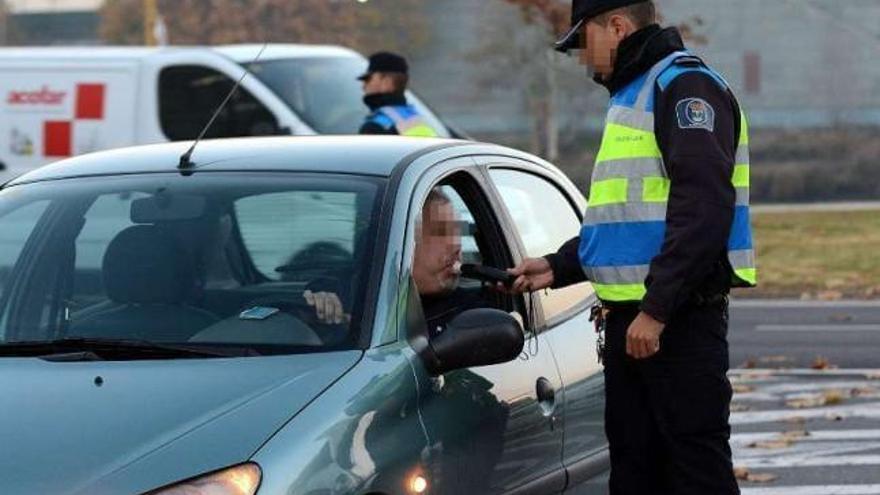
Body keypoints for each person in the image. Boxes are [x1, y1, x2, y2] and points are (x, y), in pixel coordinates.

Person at [508, 1, 757, 494]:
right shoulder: (634, 93)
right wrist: (558, 265)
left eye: (586, 41)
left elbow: (703, 211)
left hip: (675, 323)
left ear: (618, 26)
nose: (583, 57)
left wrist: (657, 309)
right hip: (637, 322)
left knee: (693, 472)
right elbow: (626, 221)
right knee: (636, 470)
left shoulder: (684, 87)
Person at [306, 188, 498, 334]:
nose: (456, 246)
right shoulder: (343, 293)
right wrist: (324, 311)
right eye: (440, 232)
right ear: (399, 239)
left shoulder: (474, 312)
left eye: (457, 232)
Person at [357, 52, 442, 137]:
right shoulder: (418, 118)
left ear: (387, 82)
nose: (363, 86)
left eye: (368, 79)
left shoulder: (376, 127)